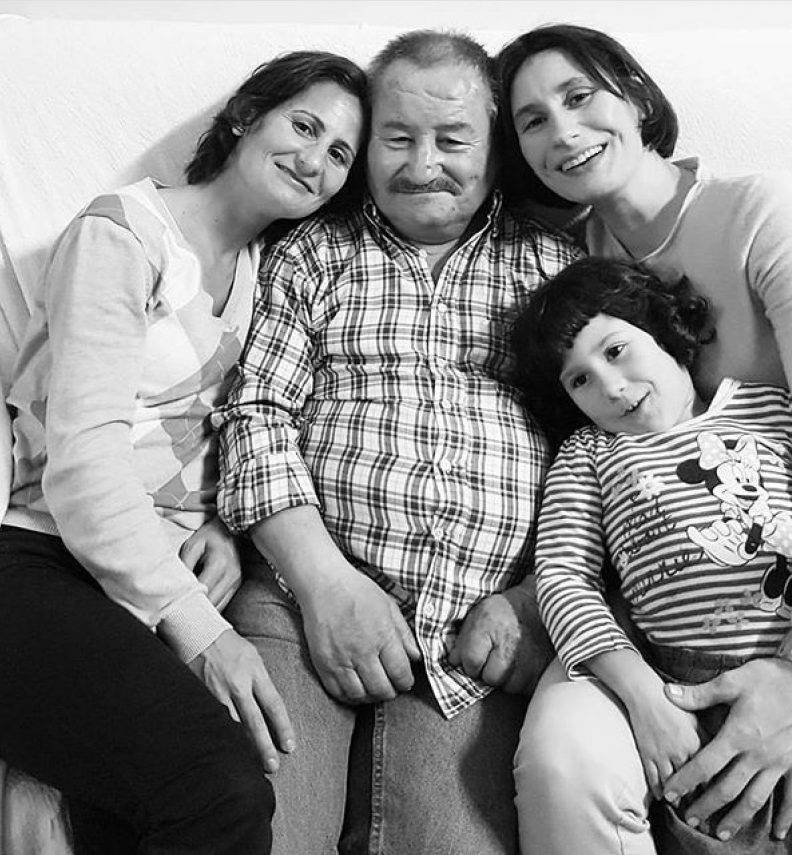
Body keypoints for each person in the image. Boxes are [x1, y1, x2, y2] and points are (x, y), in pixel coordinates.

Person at [213, 28, 582, 855]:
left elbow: (601, 452)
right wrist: (325, 586)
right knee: (258, 829)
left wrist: (540, 600)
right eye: (398, 138)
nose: (423, 165)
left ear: (496, 148)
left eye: (453, 140)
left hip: (479, 627)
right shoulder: (313, 253)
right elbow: (256, 414)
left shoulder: (552, 268)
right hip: (299, 591)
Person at [0, 50, 368, 854]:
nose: (315, 159)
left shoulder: (270, 274)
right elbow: (83, 465)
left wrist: (227, 530)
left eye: (341, 152)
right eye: (304, 126)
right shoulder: (122, 233)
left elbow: (249, 427)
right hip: (45, 559)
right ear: (245, 116)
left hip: (153, 590)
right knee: (222, 792)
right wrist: (203, 630)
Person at [496, 22, 792, 853]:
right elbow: (576, 539)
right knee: (564, 761)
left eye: (579, 96)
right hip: (658, 633)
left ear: (632, 90)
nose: (563, 131)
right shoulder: (567, 267)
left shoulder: (763, 211)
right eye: (533, 120)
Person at [510, 256, 792, 854]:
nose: (611, 387)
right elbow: (563, 577)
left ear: (662, 330)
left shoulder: (773, 407)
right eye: (579, 380)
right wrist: (640, 693)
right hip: (691, 696)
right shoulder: (590, 454)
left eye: (616, 351)